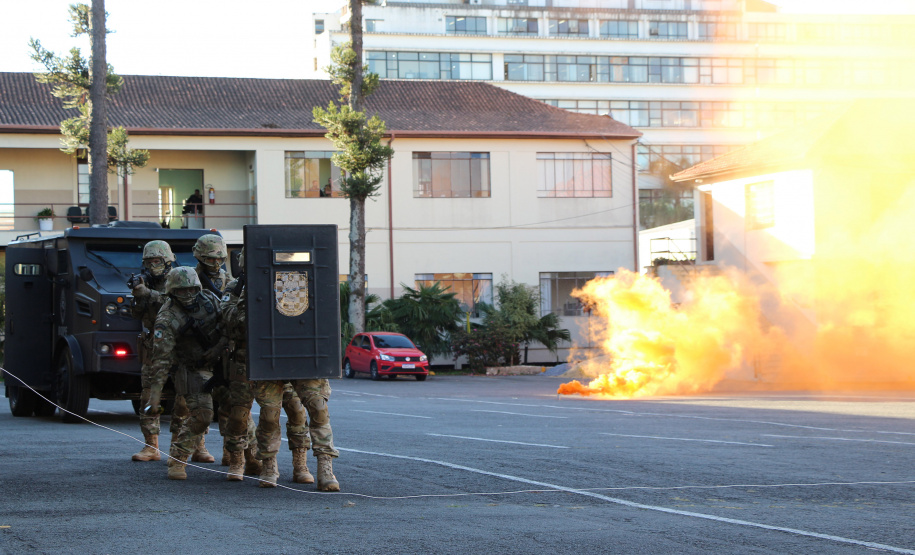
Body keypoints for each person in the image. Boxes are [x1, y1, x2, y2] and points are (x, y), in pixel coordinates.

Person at [224, 261, 340, 490]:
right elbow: (231, 323)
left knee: (316, 408)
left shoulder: (300, 282)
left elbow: (323, 313)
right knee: (269, 415)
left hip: (303, 356)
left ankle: (323, 468)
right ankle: (268, 465)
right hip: (267, 359)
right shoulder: (238, 289)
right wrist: (248, 298)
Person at [220, 249, 311, 485]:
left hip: (281, 359)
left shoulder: (286, 284)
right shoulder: (235, 288)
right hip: (245, 359)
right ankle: (238, 461)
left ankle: (300, 465)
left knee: (296, 411)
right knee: (240, 415)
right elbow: (229, 320)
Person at [146, 267, 225, 480]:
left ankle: (246, 459)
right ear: (172, 292)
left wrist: (218, 349)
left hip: (220, 362)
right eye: (181, 291)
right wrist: (154, 397)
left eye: (192, 290)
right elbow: (161, 360)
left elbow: (230, 326)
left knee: (238, 412)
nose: (188, 295)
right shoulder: (167, 317)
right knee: (202, 415)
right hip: (191, 367)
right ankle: (178, 458)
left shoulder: (211, 300)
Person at [192, 234, 260, 475]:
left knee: (232, 405)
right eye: (210, 258)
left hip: (225, 349)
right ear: (199, 256)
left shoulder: (230, 281)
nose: (215, 262)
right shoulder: (190, 278)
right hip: (199, 352)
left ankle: (234, 453)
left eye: (219, 258)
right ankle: (195, 448)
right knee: (194, 406)